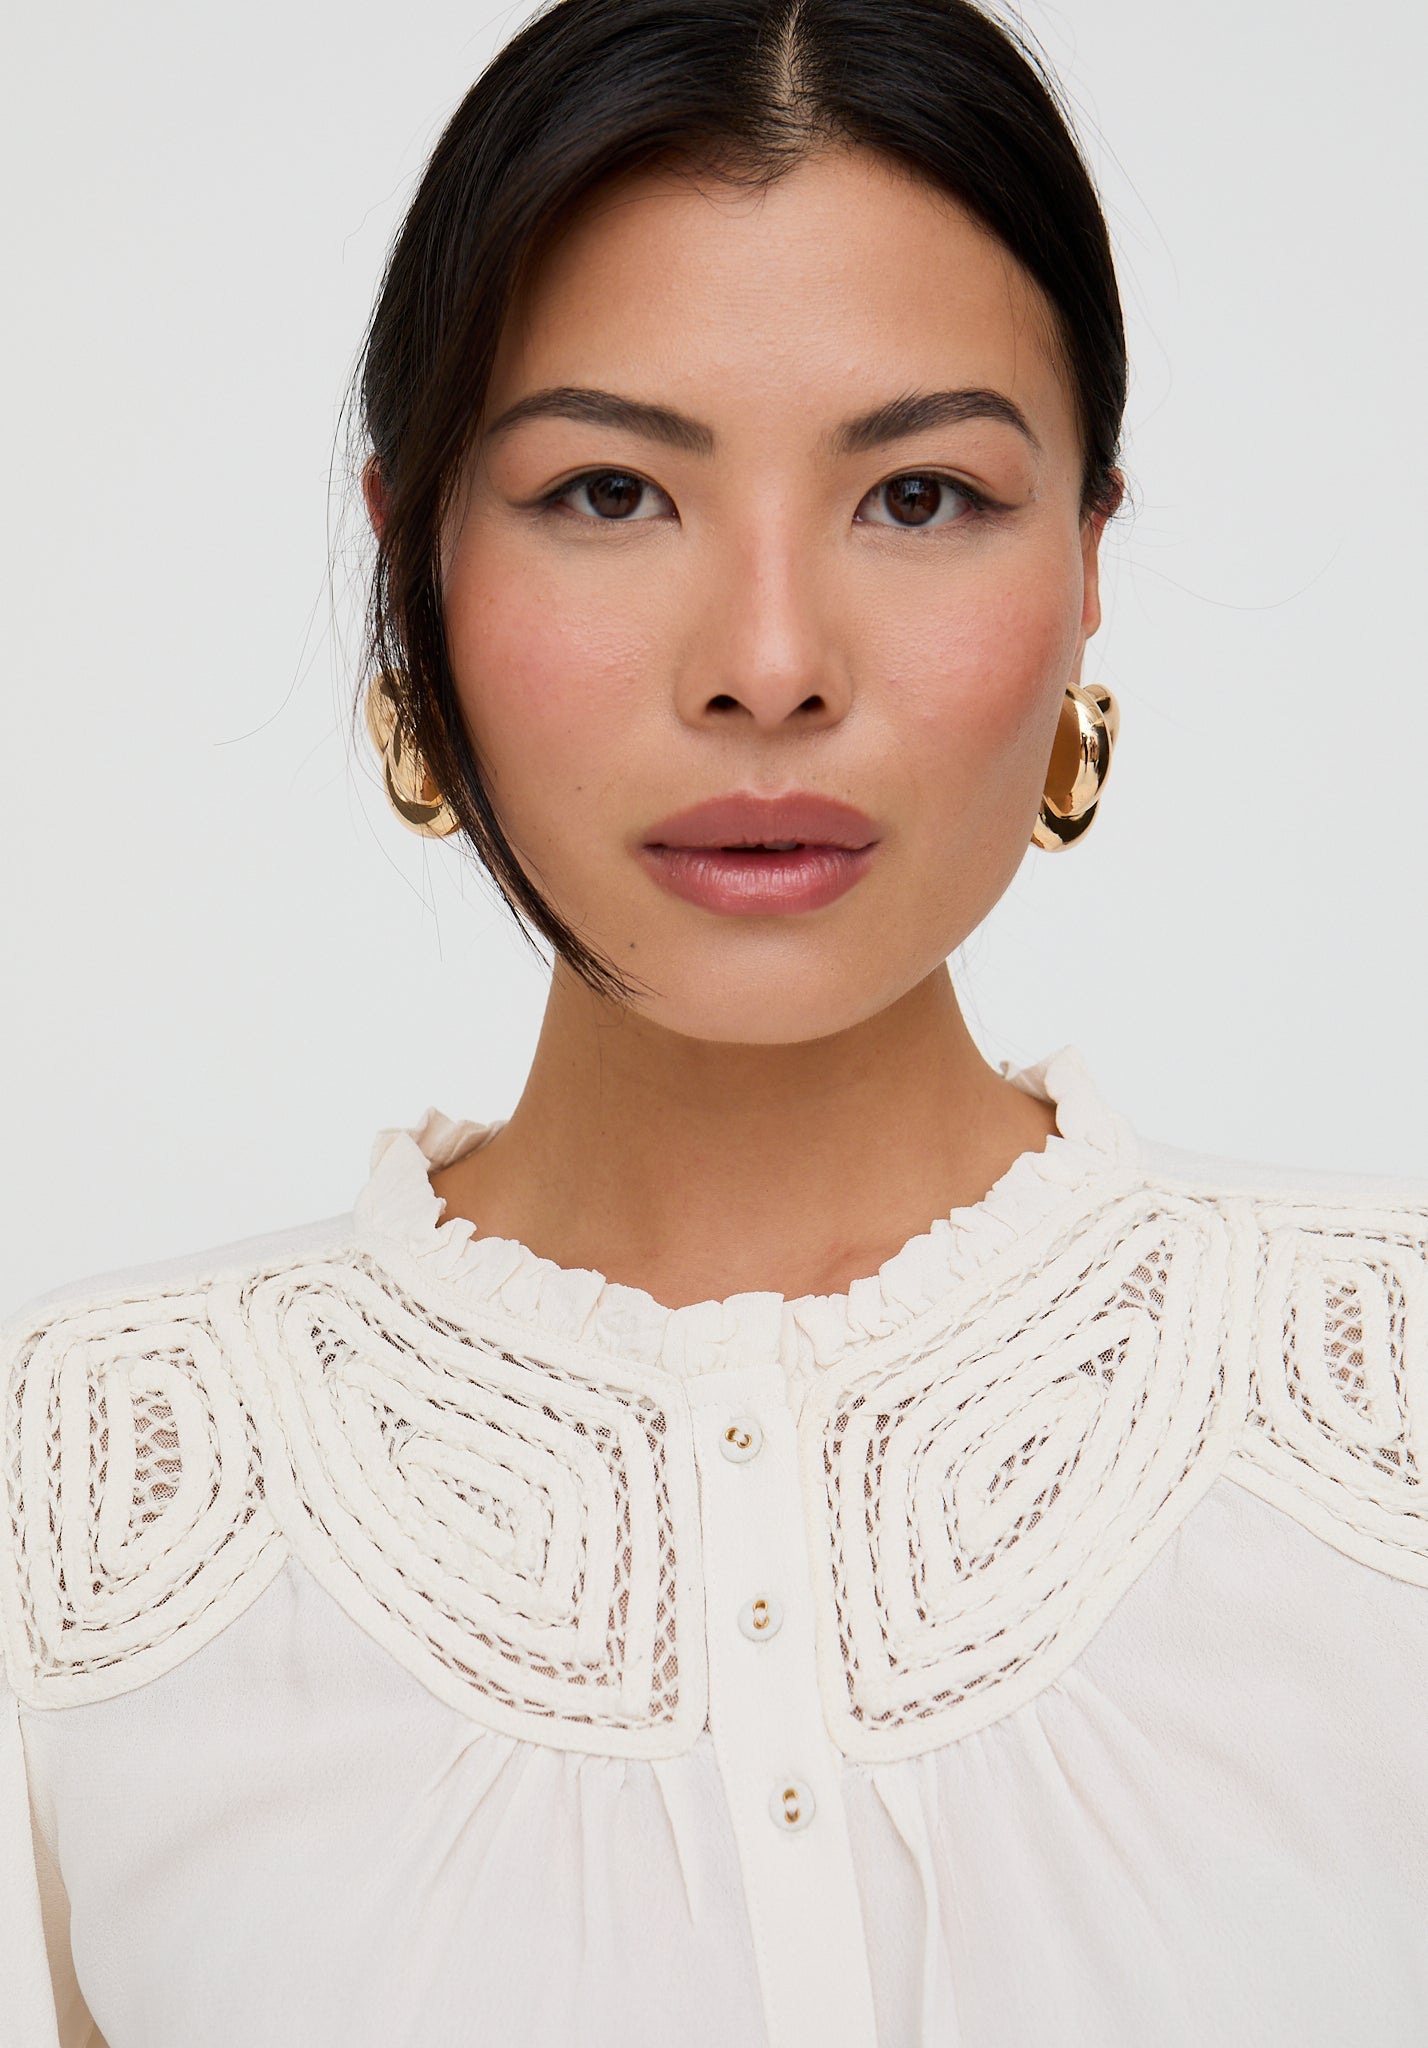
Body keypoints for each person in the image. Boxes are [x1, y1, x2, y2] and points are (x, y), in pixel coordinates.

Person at [3, 1, 1426, 2042]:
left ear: (1095, 559)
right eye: (607, 493)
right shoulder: (69, 1505)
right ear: (413, 566)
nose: (770, 662)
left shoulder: (1395, 1414)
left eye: (922, 496)